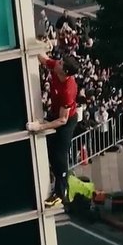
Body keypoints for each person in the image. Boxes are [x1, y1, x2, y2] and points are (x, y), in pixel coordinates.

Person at [28, 51, 81, 208]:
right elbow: (43, 59)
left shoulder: (68, 90)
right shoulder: (57, 67)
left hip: (67, 120)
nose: (58, 63)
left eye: (62, 64)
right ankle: (56, 177)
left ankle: (60, 193)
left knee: (59, 154)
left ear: (65, 72)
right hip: (54, 114)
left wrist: (41, 126)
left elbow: (63, 119)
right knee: (50, 149)